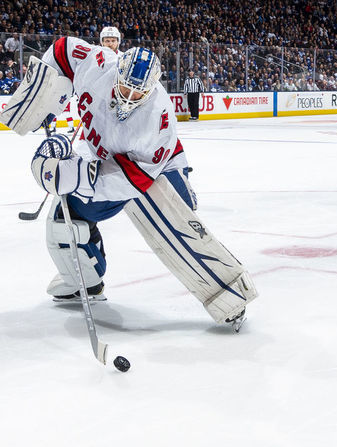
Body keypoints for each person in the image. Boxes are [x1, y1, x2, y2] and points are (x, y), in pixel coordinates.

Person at [28, 36, 256, 328]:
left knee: (168, 217)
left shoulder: (156, 117)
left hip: (152, 170)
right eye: (125, 87)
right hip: (110, 161)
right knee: (64, 219)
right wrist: (42, 96)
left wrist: (68, 175)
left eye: (139, 93)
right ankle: (84, 281)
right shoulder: (98, 64)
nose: (129, 97)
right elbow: (62, 50)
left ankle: (228, 292)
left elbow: (131, 180)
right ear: (117, 73)